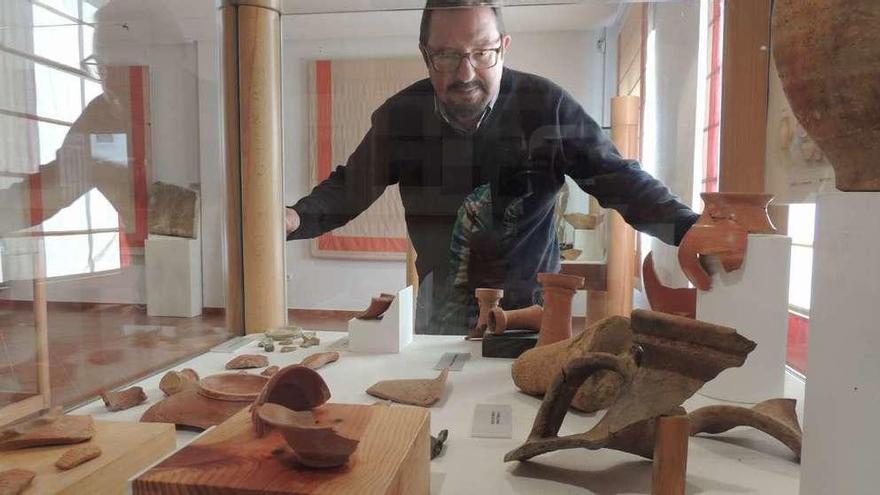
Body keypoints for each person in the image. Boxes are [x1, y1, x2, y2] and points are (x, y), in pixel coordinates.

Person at [285, 0, 699, 335]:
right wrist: (293, 218)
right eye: (446, 56)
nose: (466, 73)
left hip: (535, 314)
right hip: (439, 314)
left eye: (481, 53)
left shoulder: (546, 106)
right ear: (426, 56)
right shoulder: (401, 116)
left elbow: (619, 179)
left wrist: (688, 229)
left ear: (503, 46)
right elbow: (350, 187)